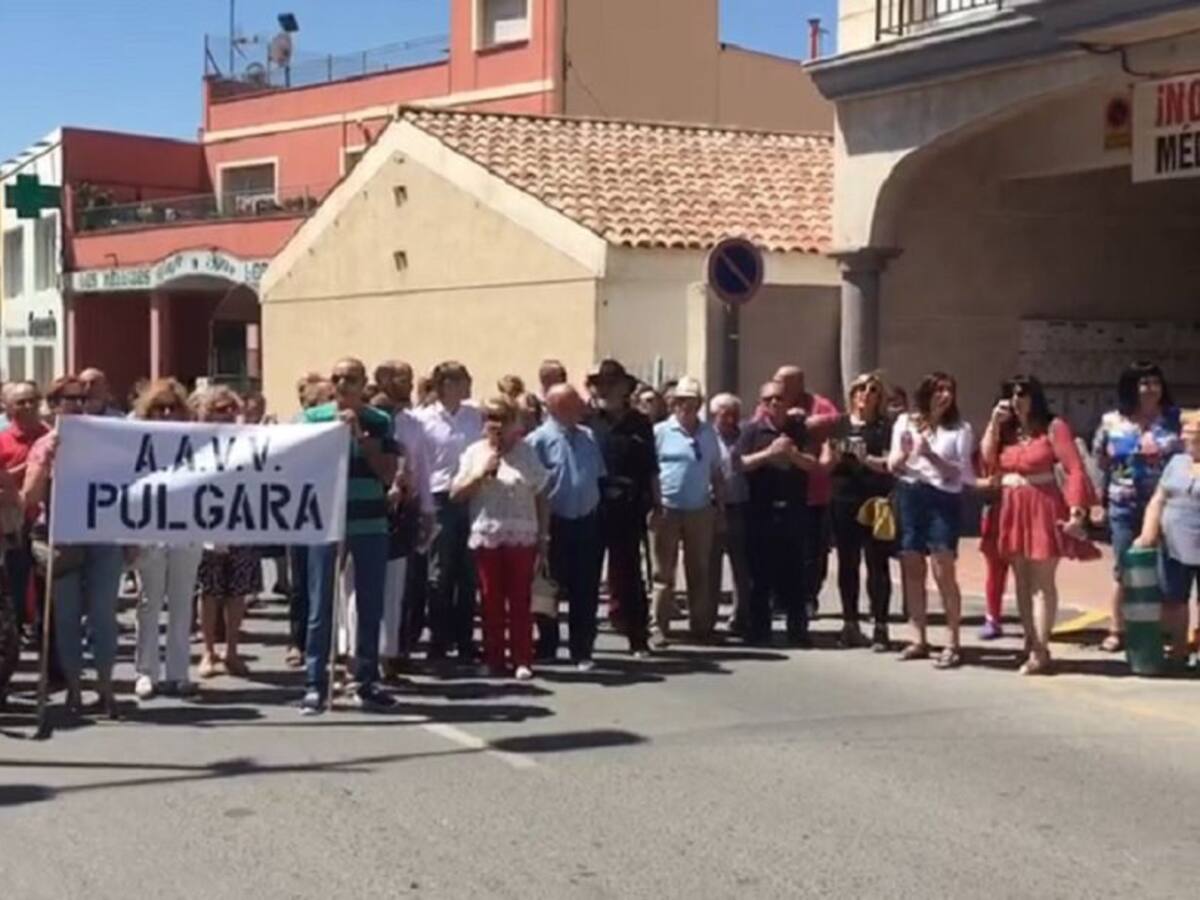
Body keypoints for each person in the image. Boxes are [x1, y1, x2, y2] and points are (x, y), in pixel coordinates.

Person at [300, 357, 400, 714]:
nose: (344, 385)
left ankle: (367, 679)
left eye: (352, 379)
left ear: (363, 384)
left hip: (369, 521)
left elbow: (387, 474)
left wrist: (360, 435)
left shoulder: (380, 421)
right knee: (320, 604)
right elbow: (300, 466)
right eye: (338, 378)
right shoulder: (312, 419)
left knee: (370, 604)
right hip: (327, 521)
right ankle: (315, 682)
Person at [980, 376, 1097, 675]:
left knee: (1042, 581)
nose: (1017, 400)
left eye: (1023, 394)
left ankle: (1041, 648)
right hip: (1011, 505)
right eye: (1011, 394)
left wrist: (1076, 510)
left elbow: (1073, 468)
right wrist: (994, 423)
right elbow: (986, 459)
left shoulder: (1053, 427)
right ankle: (1029, 639)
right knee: (1021, 578)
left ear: (1035, 396)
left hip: (1042, 504)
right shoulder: (1006, 431)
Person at [22, 375, 123, 716]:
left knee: (103, 615)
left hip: (103, 537)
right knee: (66, 618)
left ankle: (106, 688)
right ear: (54, 406)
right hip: (63, 538)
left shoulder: (107, 439)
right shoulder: (45, 444)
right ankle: (75, 690)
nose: (79, 405)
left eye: (83, 398)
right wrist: (46, 463)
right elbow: (31, 497)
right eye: (70, 399)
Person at [451, 396, 549, 679]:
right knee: (491, 598)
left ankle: (522, 658)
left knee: (520, 599)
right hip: (487, 532)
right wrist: (482, 474)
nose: (496, 425)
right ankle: (494, 657)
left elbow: (542, 493)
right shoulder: (474, 452)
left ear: (513, 424)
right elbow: (456, 494)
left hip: (522, 533)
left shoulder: (526, 453)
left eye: (502, 419)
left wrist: (544, 534)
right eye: (490, 419)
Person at [1092, 362, 1182, 653]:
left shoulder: (1174, 420)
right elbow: (1100, 463)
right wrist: (1097, 501)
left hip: (1166, 503)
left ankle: (1164, 630)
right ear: (1131, 387)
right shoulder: (1112, 422)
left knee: (1164, 569)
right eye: (1144, 383)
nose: (1151, 389)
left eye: (1155, 382)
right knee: (1124, 567)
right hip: (1123, 502)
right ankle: (1117, 629)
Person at [888, 372, 975, 670]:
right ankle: (918, 636)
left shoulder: (960, 428)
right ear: (926, 393)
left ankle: (953, 641)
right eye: (939, 390)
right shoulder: (905, 422)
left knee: (943, 568)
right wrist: (905, 456)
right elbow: (894, 464)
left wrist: (930, 455)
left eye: (949, 390)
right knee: (912, 565)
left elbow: (959, 473)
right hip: (911, 493)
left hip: (943, 497)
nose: (944, 396)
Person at [130, 378, 204, 700]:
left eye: (172, 408)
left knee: (181, 602)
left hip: (187, 529)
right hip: (148, 529)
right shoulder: (132, 441)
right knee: (149, 603)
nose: (166, 413)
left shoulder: (196, 441)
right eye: (159, 408)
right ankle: (146, 672)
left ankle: (178, 671)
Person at [527, 384, 606, 669]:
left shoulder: (588, 437)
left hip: (586, 520)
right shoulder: (538, 440)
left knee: (586, 588)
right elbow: (534, 486)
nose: (581, 410)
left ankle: (582, 649)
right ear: (557, 408)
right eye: (574, 405)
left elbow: (597, 474)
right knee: (548, 587)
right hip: (554, 522)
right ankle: (547, 644)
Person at [737, 381, 820, 645]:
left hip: (793, 511)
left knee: (794, 574)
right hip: (760, 511)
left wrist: (792, 455)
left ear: (789, 402)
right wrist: (769, 454)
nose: (774, 403)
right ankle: (759, 631)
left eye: (780, 398)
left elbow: (812, 464)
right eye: (768, 399)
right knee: (758, 575)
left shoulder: (799, 431)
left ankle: (797, 631)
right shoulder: (751, 431)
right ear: (762, 404)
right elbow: (738, 464)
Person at [585, 359, 659, 654]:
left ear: (624, 388)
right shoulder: (588, 422)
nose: (604, 389)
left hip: (630, 506)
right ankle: (584, 642)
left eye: (610, 384)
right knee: (588, 575)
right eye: (600, 384)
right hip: (594, 505)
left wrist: (657, 502)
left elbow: (651, 466)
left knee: (629, 575)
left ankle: (638, 639)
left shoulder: (640, 423)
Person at [416, 361, 484, 663]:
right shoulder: (424, 419)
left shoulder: (476, 417)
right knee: (440, 572)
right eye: (461, 380)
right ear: (445, 385)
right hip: (439, 498)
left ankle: (465, 639)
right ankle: (439, 639)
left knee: (469, 573)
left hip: (472, 494)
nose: (468, 385)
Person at [193, 386, 261, 680]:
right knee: (210, 592)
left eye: (231, 409)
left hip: (241, 525)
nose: (227, 414)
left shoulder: (249, 441)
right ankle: (208, 652)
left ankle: (231, 651)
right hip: (207, 527)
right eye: (220, 409)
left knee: (237, 593)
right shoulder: (193, 441)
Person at [651, 376, 724, 647]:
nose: (687, 407)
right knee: (663, 573)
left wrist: (721, 507)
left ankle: (701, 626)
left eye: (692, 402)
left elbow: (716, 472)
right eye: (682, 401)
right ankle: (657, 627)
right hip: (667, 508)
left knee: (699, 569)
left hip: (700, 509)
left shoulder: (708, 433)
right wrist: (655, 505)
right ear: (673, 404)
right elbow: (652, 472)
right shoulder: (660, 432)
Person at [830, 373, 896, 650]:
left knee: (877, 564)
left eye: (872, 390)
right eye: (860, 389)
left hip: (876, 501)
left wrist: (864, 458)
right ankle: (850, 623)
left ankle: (880, 626)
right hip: (844, 499)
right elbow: (830, 460)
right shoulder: (841, 425)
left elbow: (892, 463)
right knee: (848, 563)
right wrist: (836, 454)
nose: (865, 395)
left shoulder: (885, 427)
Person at [1134, 409, 1200, 666]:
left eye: (1191, 433)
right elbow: (1158, 499)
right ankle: (1179, 647)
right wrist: (1148, 531)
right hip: (1173, 542)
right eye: (1185, 433)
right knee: (1174, 598)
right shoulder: (1176, 463)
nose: (1186, 438)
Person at [774, 365, 840, 620]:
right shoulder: (773, 403)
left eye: (782, 381)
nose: (777, 385)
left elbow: (836, 420)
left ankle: (808, 597)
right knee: (781, 548)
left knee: (813, 551)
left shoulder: (818, 404)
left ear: (797, 384)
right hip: (782, 491)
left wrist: (810, 421)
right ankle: (780, 598)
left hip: (815, 492)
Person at [0, 381, 48, 635]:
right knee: (16, 580)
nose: (28, 406)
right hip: (13, 526)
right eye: (21, 402)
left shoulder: (52, 435)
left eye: (32, 400)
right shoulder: (3, 441)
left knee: (49, 588)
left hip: (47, 525)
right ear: (9, 408)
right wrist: (33, 465)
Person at [708, 393, 752, 636]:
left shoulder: (744, 435)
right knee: (711, 565)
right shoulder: (706, 437)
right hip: (712, 506)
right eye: (725, 413)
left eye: (734, 412)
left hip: (739, 505)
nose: (730, 418)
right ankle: (708, 618)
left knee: (741, 566)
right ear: (715, 414)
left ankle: (741, 617)